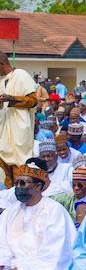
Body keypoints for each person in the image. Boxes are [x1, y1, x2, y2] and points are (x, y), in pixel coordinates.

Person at [0, 159, 76, 270]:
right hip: (9, 269)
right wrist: (2, 265)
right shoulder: (11, 211)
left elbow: (54, 252)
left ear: (38, 186)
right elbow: (2, 242)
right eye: (16, 183)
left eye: (23, 183)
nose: (18, 187)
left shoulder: (54, 210)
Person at [0, 52, 38, 187]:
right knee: (5, 167)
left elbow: (33, 101)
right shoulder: (1, 80)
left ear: (2, 64)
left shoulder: (20, 74)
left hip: (19, 129)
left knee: (19, 164)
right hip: (3, 128)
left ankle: (22, 193)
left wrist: (13, 99)